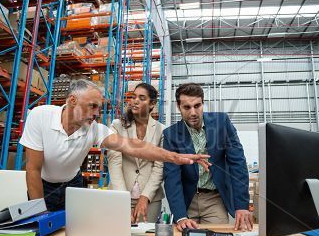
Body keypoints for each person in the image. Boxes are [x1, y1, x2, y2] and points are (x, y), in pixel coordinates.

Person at [19, 77, 209, 211]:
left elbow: (133, 146)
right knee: (41, 233)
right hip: (42, 185)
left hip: (72, 185)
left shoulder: (93, 129)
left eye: (99, 108)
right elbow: (33, 169)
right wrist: (39, 213)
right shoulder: (40, 116)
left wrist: (174, 156)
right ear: (72, 101)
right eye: (92, 106)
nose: (96, 113)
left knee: (71, 235)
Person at [163, 83, 252, 231]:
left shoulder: (222, 123)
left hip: (214, 199)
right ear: (179, 107)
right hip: (186, 201)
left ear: (203, 103)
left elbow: (238, 164)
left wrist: (242, 205)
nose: (193, 112)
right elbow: (172, 177)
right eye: (187, 107)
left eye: (197, 106)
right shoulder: (170, 135)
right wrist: (180, 216)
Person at [108, 83, 164, 223]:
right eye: (133, 97)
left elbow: (159, 167)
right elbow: (114, 162)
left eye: (142, 98)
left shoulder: (161, 130)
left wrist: (145, 196)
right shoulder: (117, 125)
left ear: (152, 104)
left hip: (150, 200)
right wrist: (122, 199)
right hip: (120, 192)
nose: (135, 101)